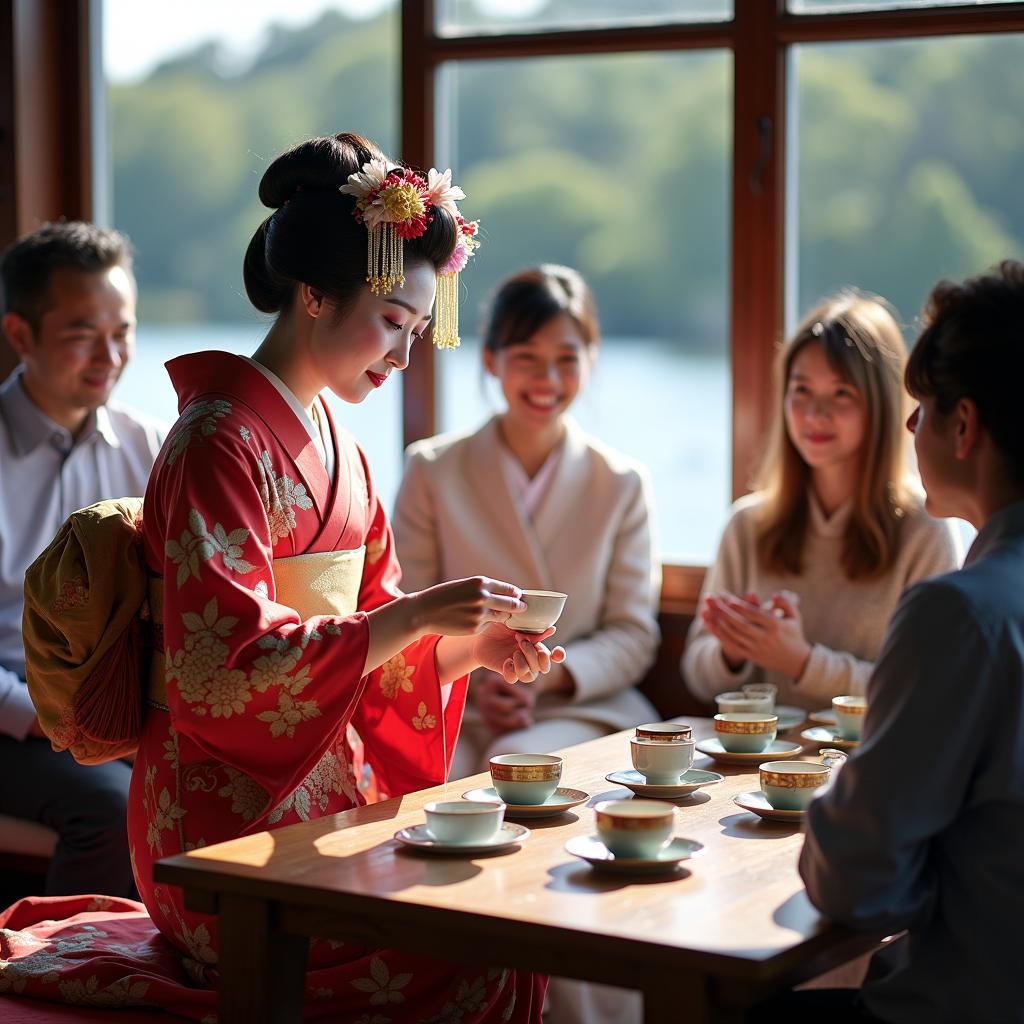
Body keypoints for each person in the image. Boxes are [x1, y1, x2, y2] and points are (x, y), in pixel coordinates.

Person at [0, 133, 560, 1022]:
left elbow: (373, 645)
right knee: (473, 961)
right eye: (390, 322)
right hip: (220, 825)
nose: (404, 356)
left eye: (417, 331)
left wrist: (464, 650)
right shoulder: (215, 441)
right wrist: (415, 619)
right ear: (312, 293)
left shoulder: (345, 447)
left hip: (323, 793)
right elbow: (220, 674)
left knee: (510, 927)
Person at [768, 262, 1024, 1023]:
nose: (911, 429)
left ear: (964, 425)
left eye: (921, 410)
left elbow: (855, 877)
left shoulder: (958, 611)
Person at [393, 264, 660, 782]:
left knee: (514, 761)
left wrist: (541, 680)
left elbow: (632, 634)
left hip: (580, 705)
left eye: (567, 359)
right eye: (527, 359)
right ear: (491, 360)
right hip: (458, 700)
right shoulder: (432, 469)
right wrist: (480, 673)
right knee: (438, 777)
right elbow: (408, 608)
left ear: (591, 361)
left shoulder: (621, 482)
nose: (549, 380)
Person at [683, 291, 959, 712]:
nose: (815, 414)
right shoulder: (748, 523)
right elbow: (697, 674)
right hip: (761, 756)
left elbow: (927, 686)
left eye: (841, 394)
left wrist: (801, 662)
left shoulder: (925, 528)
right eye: (802, 390)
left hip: (869, 758)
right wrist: (734, 648)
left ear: (881, 404)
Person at [0, 220, 165, 898]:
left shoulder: (150, 446)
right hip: (11, 716)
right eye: (80, 333)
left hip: (114, 710)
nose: (109, 355)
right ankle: (63, 984)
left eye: (121, 331)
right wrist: (52, 719)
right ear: (20, 335)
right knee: (111, 807)